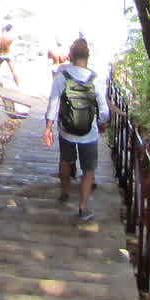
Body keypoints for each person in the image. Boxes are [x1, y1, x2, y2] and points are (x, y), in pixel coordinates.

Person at [43, 36, 103, 222]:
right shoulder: (95, 78)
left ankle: (64, 192)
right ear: (88, 56)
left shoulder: (62, 76)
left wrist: (48, 128)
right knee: (88, 170)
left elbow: (53, 104)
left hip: (66, 130)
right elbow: (105, 109)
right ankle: (83, 208)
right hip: (89, 133)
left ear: (71, 56)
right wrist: (103, 123)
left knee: (66, 160)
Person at [0, 18, 17, 85]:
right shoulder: (10, 38)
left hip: (0, 54)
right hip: (7, 54)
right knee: (13, 71)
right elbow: (9, 45)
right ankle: (18, 86)